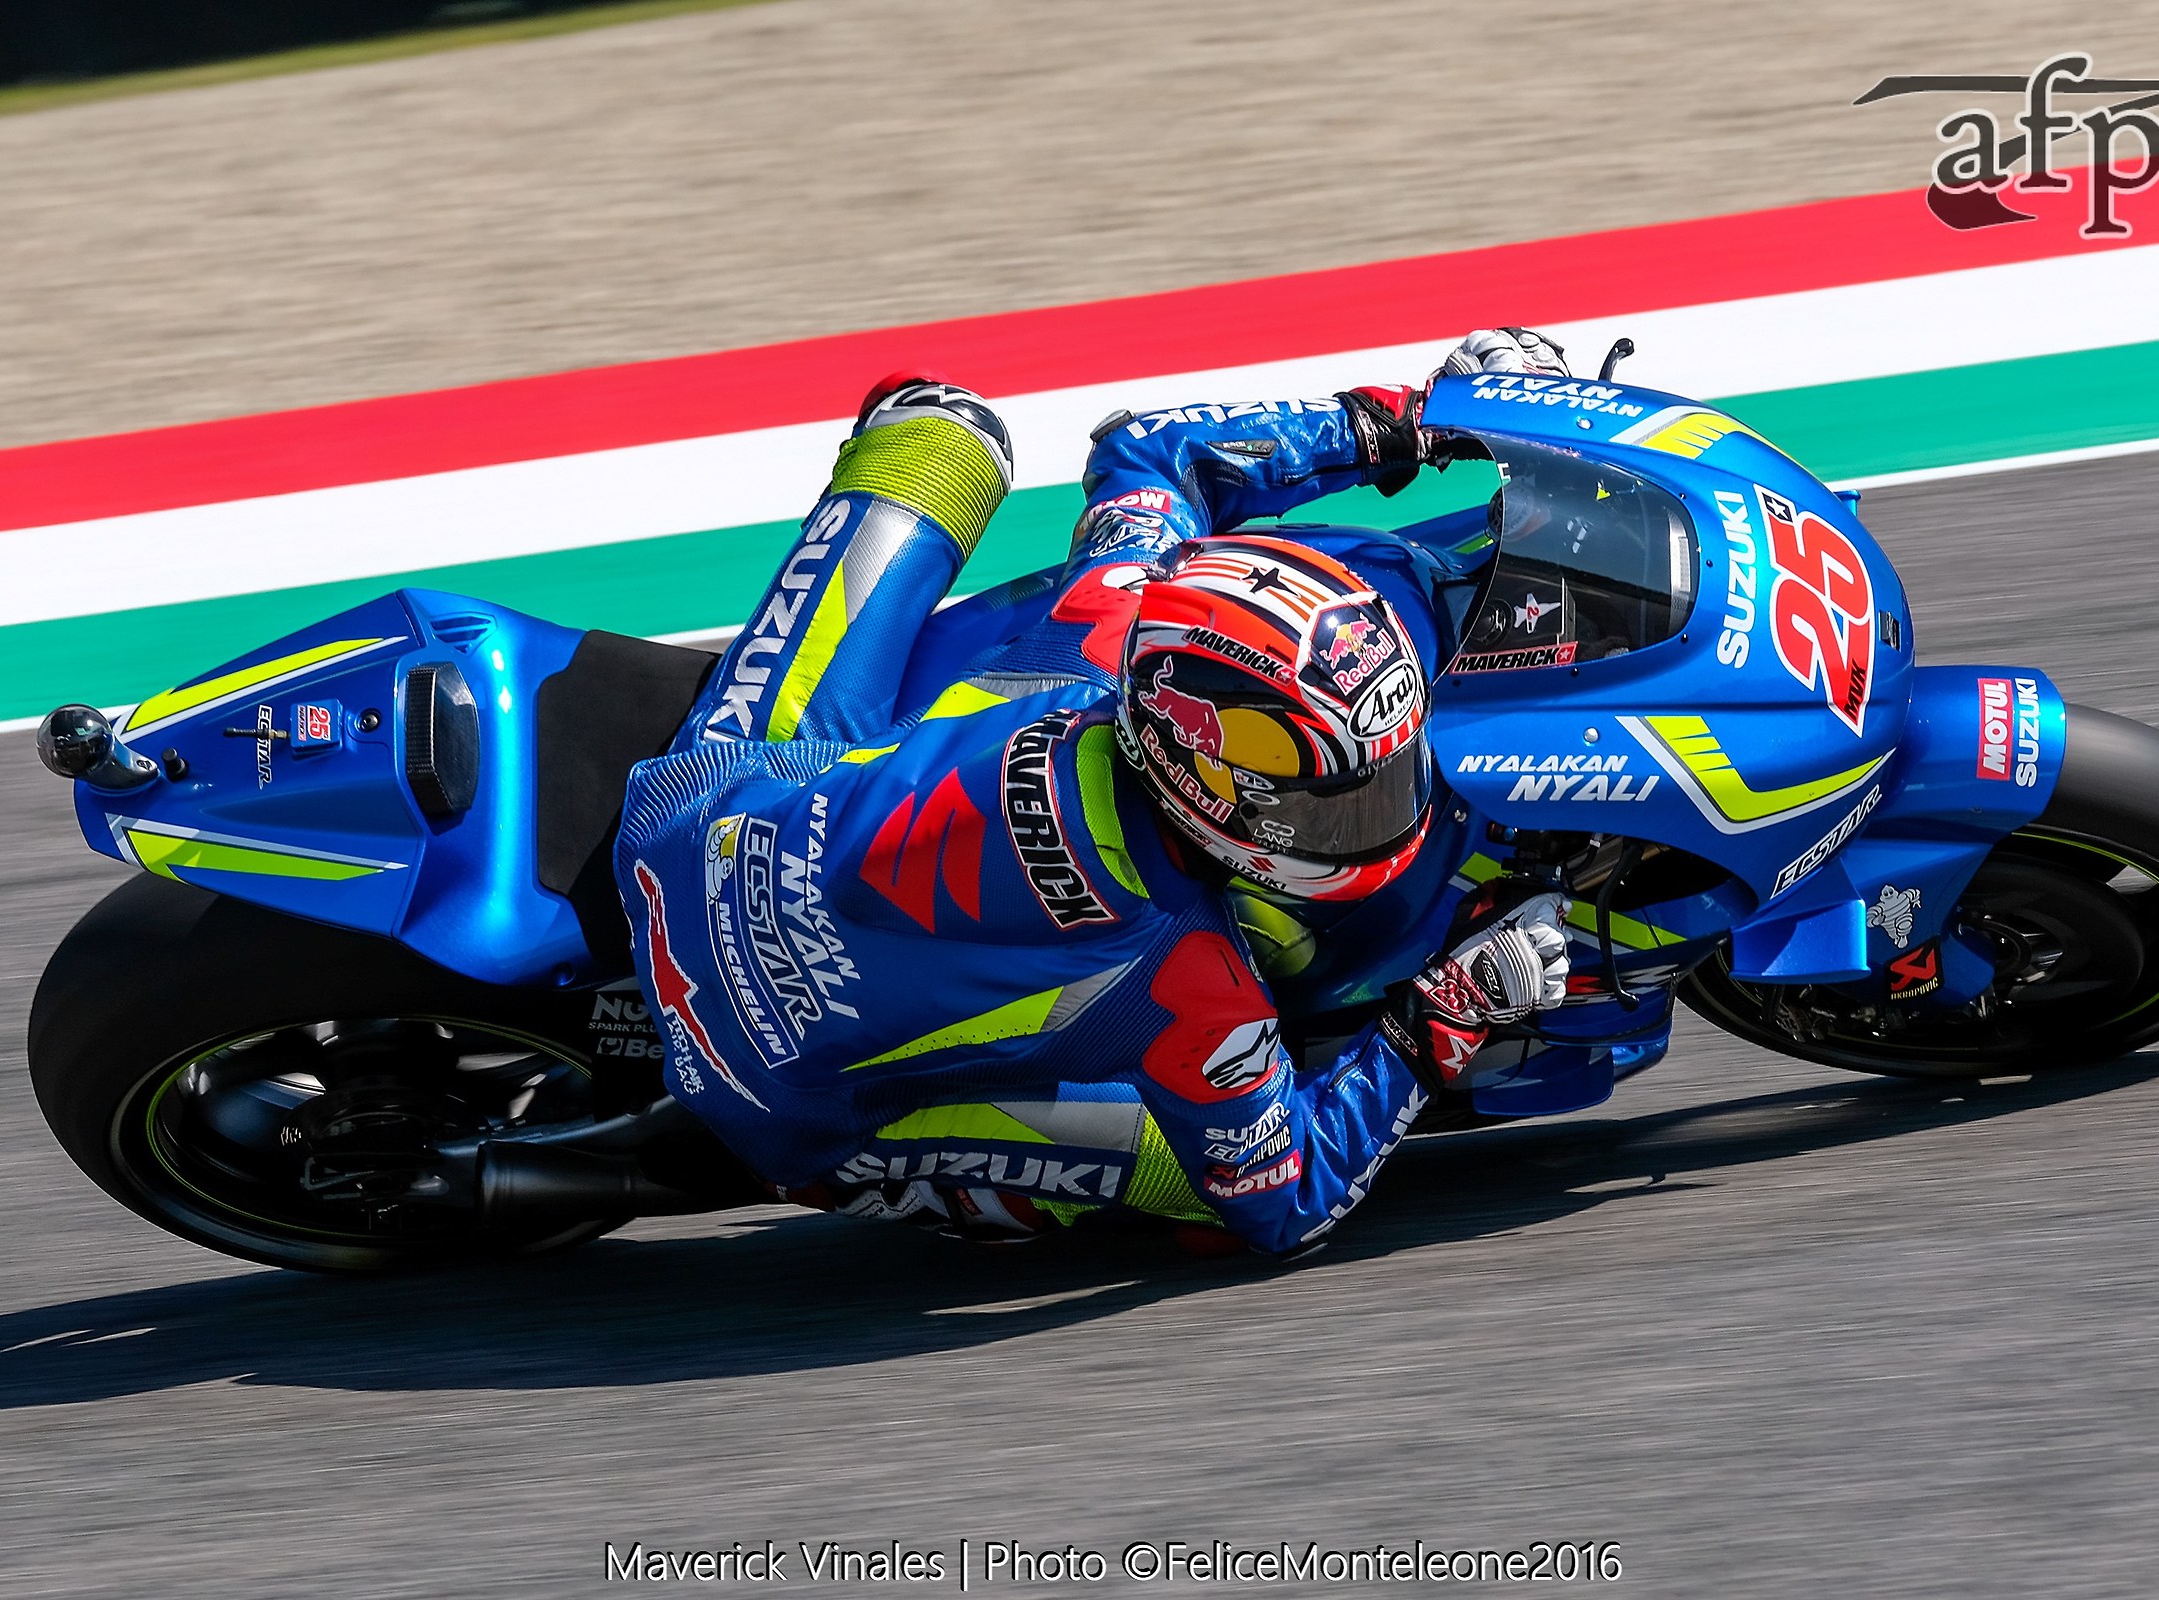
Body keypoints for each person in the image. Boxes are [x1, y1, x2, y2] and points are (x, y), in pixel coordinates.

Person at [615, 328, 1577, 1254]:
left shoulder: (1109, 619)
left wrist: (1398, 420)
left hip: (691, 816)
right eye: (1332, 799)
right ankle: (866, 1166)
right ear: (1210, 782)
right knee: (1188, 1173)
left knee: (943, 432)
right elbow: (1288, 1202)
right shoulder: (1195, 981)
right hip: (769, 1104)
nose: (1375, 816)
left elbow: (1148, 448)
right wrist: (1438, 1022)